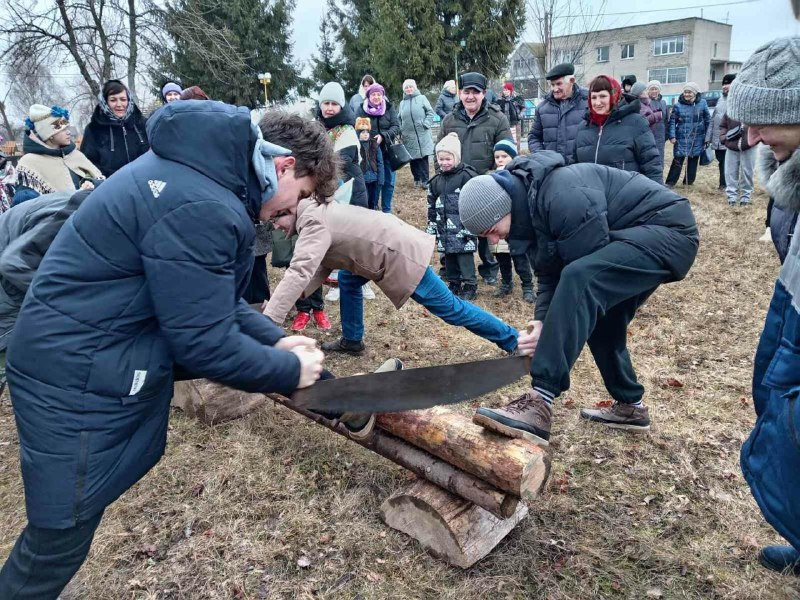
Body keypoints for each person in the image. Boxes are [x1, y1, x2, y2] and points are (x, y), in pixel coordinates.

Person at [0, 103, 336, 598]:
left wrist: (275, 338)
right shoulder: (202, 205)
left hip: (87, 351)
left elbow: (209, 302)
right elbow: (203, 343)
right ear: (285, 166)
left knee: (70, 522)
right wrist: (288, 369)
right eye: (298, 199)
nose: (285, 214)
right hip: (74, 367)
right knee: (59, 536)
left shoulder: (197, 181)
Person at [457, 150, 698, 445]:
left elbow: (578, 275)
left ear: (502, 208)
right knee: (601, 317)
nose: (494, 241)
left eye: (492, 231)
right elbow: (549, 275)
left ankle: (540, 401)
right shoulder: (530, 212)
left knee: (583, 281)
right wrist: (541, 322)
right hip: (633, 236)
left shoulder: (562, 194)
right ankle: (631, 407)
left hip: (669, 233)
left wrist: (548, 350)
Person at [263, 196, 519, 356]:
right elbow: (319, 267)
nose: (276, 227)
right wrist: (279, 303)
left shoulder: (312, 222)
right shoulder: (314, 209)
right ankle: (352, 340)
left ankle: (513, 339)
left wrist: (268, 320)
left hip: (398, 254)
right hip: (377, 251)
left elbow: (300, 271)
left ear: (288, 209)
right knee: (349, 281)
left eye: (276, 220)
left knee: (452, 309)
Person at [727, 36, 800, 577]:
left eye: (762, 123)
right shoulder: (792, 171)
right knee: (773, 402)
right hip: (792, 292)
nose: (749, 137)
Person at [439, 71, 510, 285]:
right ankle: (452, 268)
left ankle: (489, 267)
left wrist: (492, 180)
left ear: (484, 94)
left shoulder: (497, 119)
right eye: (466, 92)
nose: (470, 97)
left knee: (485, 231)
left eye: (475, 93)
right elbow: (440, 151)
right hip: (455, 186)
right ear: (460, 93)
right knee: (453, 228)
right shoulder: (449, 120)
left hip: (486, 186)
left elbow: (506, 155)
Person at [573, 76, 662, 183]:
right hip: (590, 196)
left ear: (614, 96)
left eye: (602, 96)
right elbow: (574, 165)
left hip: (625, 196)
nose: (597, 102)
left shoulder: (636, 123)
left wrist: (655, 196)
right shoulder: (583, 127)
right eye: (594, 97)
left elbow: (651, 165)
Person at [13, 104, 104, 204]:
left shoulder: (75, 154)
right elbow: (28, 205)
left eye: (67, 128)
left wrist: (90, 183)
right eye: (63, 129)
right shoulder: (29, 163)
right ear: (49, 135)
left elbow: (101, 182)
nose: (68, 132)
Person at [426, 133, 479, 300]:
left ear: (456, 157)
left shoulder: (468, 176)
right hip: (443, 227)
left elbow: (475, 202)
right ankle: (454, 282)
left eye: (448, 159)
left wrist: (472, 227)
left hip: (463, 227)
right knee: (448, 256)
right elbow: (431, 204)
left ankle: (470, 284)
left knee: (464, 256)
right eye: (441, 159)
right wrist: (432, 225)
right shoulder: (436, 181)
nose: (444, 163)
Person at [491, 139, 534, 304]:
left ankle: (527, 286)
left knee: (520, 257)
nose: (500, 160)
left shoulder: (519, 176)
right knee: (501, 256)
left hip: (516, 226)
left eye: (504, 156)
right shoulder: (492, 177)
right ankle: (506, 283)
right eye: (497, 156)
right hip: (498, 226)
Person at [80, 79, 150, 178]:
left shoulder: (143, 124)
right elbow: (88, 163)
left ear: (129, 100)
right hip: (111, 186)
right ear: (105, 102)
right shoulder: (93, 129)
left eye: (123, 99)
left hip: (145, 181)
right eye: (113, 100)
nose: (119, 104)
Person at [527, 63, 589, 165]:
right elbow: (534, 137)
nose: (555, 89)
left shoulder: (588, 102)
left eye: (559, 84)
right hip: (552, 170)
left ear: (571, 81)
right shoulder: (542, 108)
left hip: (582, 169)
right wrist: (543, 158)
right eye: (552, 85)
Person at [355, 83, 400, 213]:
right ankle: (373, 208)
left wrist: (383, 136)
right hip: (369, 153)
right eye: (373, 94)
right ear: (368, 96)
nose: (376, 97)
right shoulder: (361, 109)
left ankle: (386, 210)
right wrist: (366, 138)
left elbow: (396, 126)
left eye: (379, 94)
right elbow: (357, 127)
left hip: (388, 150)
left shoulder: (389, 108)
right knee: (372, 182)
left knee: (389, 181)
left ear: (382, 95)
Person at [665, 82, 710, 187]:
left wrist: (708, 136)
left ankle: (688, 182)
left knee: (693, 160)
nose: (687, 94)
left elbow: (708, 120)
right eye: (685, 92)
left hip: (697, 137)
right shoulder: (677, 105)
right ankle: (670, 182)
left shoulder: (702, 103)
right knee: (678, 160)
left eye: (689, 92)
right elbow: (672, 122)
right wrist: (672, 136)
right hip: (681, 137)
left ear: (694, 93)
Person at [399, 79, 435, 188]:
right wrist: (402, 130)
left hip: (422, 133)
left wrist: (426, 124)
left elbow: (430, 112)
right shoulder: (402, 103)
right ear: (404, 90)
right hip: (408, 135)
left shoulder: (422, 98)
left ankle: (425, 180)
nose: (409, 89)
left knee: (423, 158)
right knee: (413, 159)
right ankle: (417, 179)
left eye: (411, 87)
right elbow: (399, 118)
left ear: (415, 88)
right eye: (406, 87)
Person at [719, 107, 756, 207]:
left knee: (748, 172)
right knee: (730, 172)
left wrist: (755, 139)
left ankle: (745, 197)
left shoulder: (754, 110)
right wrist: (724, 137)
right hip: (732, 146)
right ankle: (731, 197)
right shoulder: (731, 109)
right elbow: (723, 126)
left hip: (749, 146)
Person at [708, 74, 736, 190]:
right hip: (718, 138)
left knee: (729, 163)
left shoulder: (737, 100)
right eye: (724, 84)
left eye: (728, 83)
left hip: (730, 138)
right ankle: (723, 183)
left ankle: (729, 185)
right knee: (721, 162)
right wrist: (709, 138)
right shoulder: (720, 99)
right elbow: (713, 119)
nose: (725, 86)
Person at [647, 80, 670, 170]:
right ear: (648, 90)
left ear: (659, 90)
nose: (654, 91)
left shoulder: (663, 103)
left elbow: (666, 120)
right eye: (651, 89)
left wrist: (666, 135)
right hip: (649, 134)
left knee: (660, 158)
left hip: (660, 135)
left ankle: (659, 179)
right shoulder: (645, 102)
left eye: (656, 89)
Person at [496, 82, 525, 148]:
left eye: (507, 90)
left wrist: (520, 116)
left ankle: (517, 157)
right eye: (504, 90)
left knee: (516, 143)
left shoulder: (517, 99)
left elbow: (523, 109)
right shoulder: (500, 100)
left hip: (515, 123)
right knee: (506, 142)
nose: (505, 91)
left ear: (510, 90)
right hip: (503, 124)